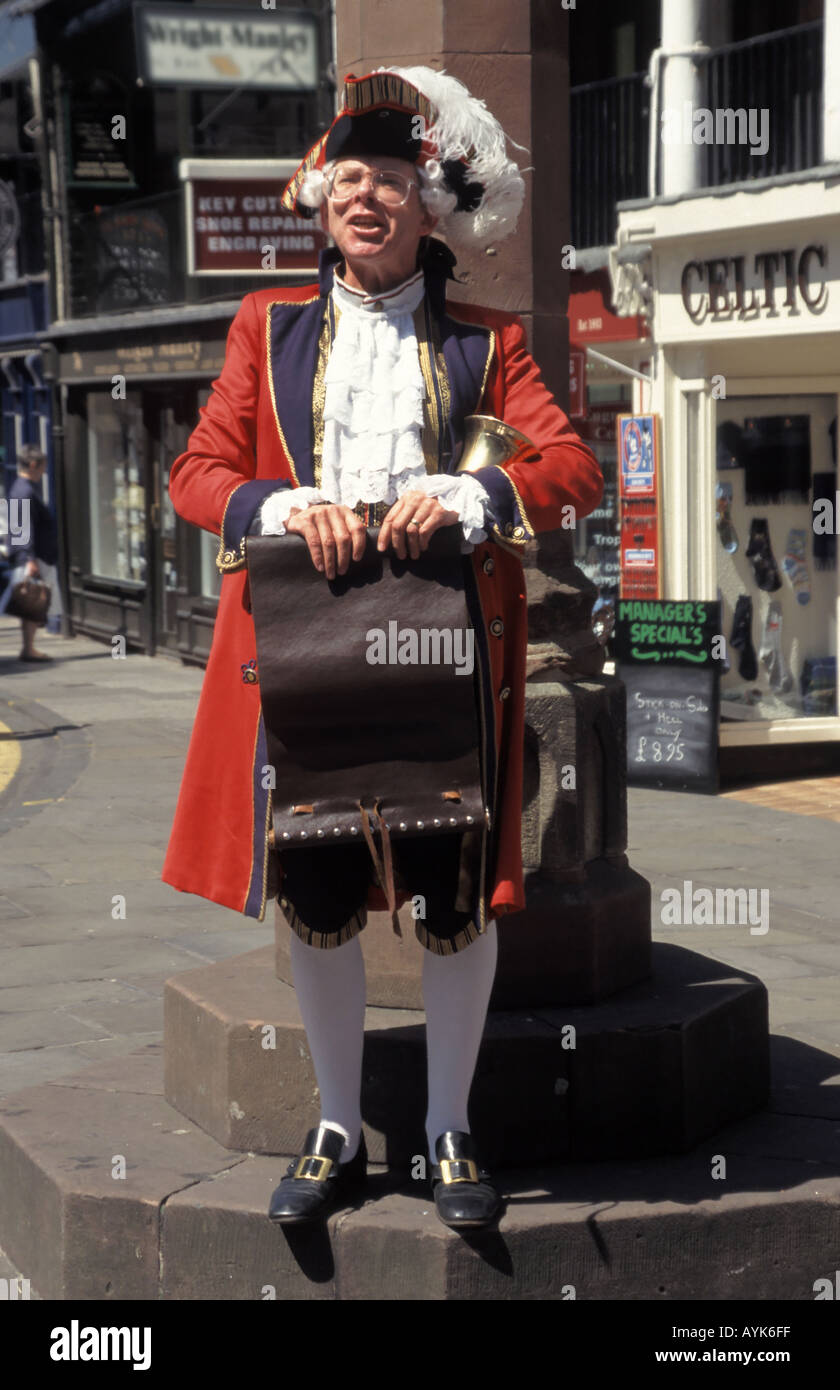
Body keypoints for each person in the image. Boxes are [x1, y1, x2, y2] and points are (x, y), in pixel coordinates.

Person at [162, 66, 603, 1230]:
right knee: (317, 888)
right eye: (349, 178)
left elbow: (569, 467)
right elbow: (194, 477)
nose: (368, 198)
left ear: (427, 205)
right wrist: (273, 503)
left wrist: (466, 494)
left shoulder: (490, 342)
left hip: (445, 653)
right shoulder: (267, 328)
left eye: (394, 181)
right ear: (324, 199)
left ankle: (451, 1129)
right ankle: (336, 1125)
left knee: (456, 896)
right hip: (306, 655)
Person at [6, 444, 61, 662]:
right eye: (43, 467)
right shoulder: (24, 490)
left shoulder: (24, 488)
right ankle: (29, 648)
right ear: (33, 465)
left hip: (35, 555)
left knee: (31, 603)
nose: (44, 471)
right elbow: (20, 529)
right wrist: (29, 559)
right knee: (32, 602)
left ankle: (29, 647)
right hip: (34, 557)